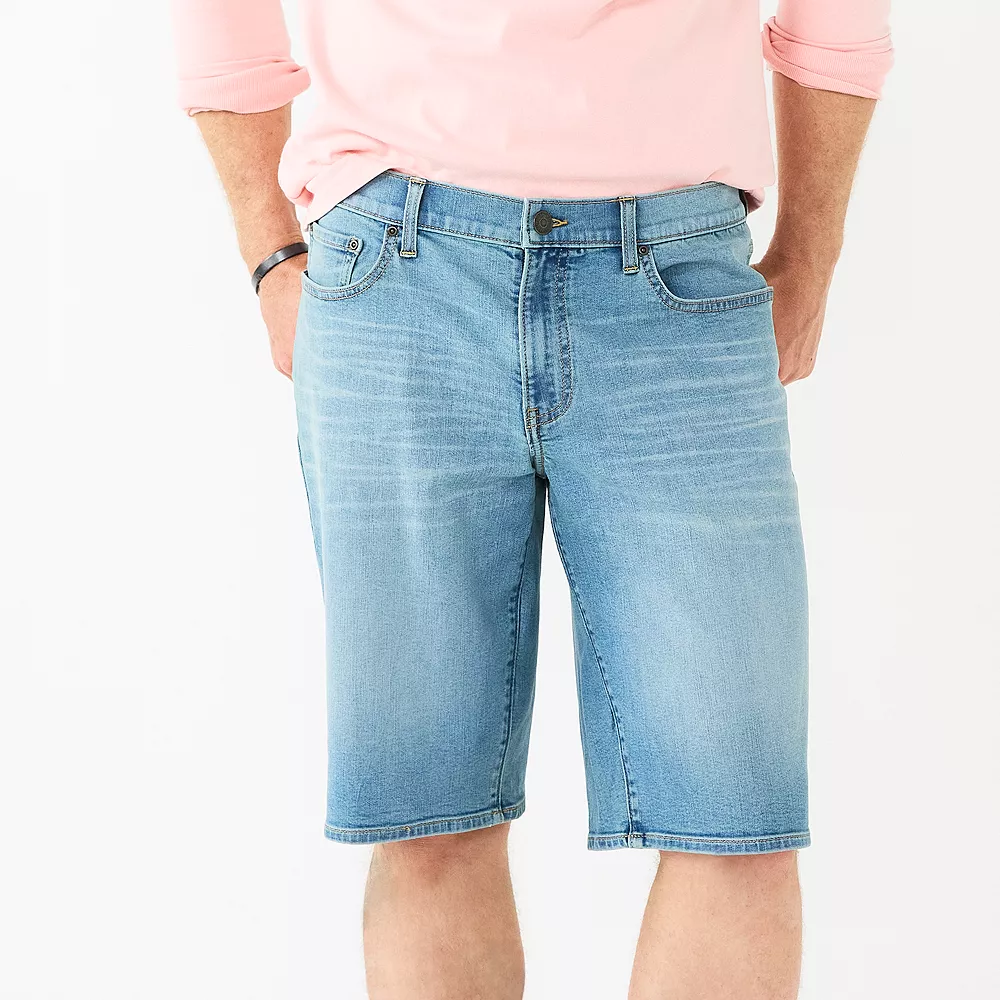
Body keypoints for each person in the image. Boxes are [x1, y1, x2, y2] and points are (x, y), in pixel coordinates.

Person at [170, 3, 892, 996]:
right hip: (397, 267)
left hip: (676, 274)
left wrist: (811, 253)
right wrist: (268, 252)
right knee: (427, 818)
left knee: (737, 818)